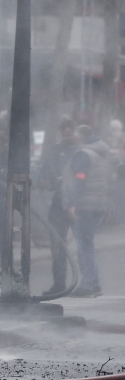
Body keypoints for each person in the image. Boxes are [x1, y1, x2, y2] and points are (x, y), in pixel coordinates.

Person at [62, 124, 110, 297]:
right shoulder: (100, 153)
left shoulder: (83, 154)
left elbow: (79, 179)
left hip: (83, 205)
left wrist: (73, 203)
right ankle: (94, 283)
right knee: (87, 244)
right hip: (97, 204)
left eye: (74, 133)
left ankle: (88, 284)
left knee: (84, 246)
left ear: (80, 136)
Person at [38, 117, 78, 295]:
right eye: (63, 134)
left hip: (78, 202)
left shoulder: (80, 151)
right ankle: (59, 283)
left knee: (82, 244)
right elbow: (44, 174)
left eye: (68, 133)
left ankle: (87, 283)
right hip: (58, 201)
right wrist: (44, 182)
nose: (65, 137)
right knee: (57, 244)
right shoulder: (55, 150)